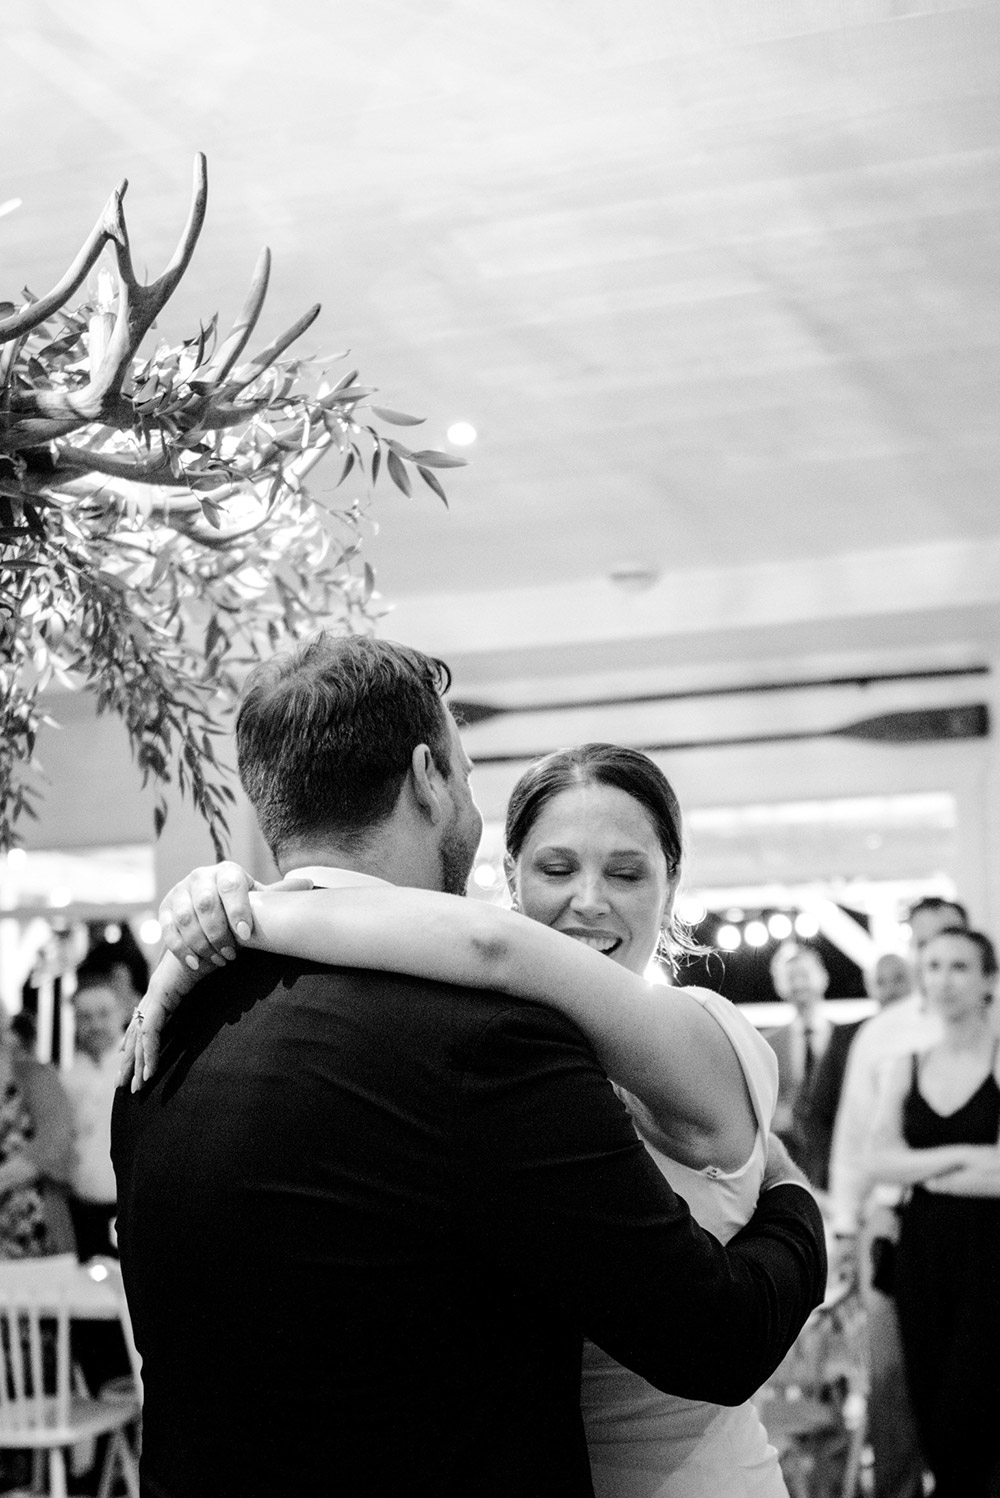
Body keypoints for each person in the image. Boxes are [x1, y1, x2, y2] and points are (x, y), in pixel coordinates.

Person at [111, 634, 826, 1498]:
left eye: (628, 871)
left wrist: (240, 917)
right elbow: (709, 1334)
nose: (589, 899)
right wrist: (796, 1205)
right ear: (428, 776)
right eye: (555, 865)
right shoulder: (488, 1041)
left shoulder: (165, 1035)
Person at [828, 895, 969, 1498]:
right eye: (922, 948)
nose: (933, 963)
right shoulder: (884, 1034)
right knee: (892, 1384)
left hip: (980, 1227)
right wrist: (842, 1228)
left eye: (948, 947)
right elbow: (855, 1139)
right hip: (892, 1224)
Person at [866, 926, 1000, 1498]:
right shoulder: (908, 1064)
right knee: (927, 1400)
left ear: (988, 981)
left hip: (991, 1254)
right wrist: (969, 1154)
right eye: (935, 965)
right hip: (921, 1253)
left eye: (960, 967)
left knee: (971, 1407)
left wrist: (919, 1163)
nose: (944, 979)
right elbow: (878, 1161)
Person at [64, 955, 128, 1260]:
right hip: (81, 1209)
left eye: (103, 1014)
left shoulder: (137, 1066)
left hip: (128, 1210)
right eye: (85, 1017)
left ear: (122, 1013)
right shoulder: (65, 1078)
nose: (95, 1025)